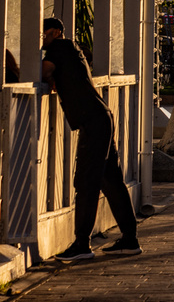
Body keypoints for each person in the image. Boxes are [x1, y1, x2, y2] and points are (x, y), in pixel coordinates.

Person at [41, 17, 140, 261]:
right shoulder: (72, 50)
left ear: (55, 32)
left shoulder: (59, 47)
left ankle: (82, 245)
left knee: (85, 182)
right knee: (111, 181)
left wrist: (44, 76)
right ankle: (130, 240)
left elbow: (44, 70)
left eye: (44, 35)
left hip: (93, 122)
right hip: (101, 117)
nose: (42, 40)